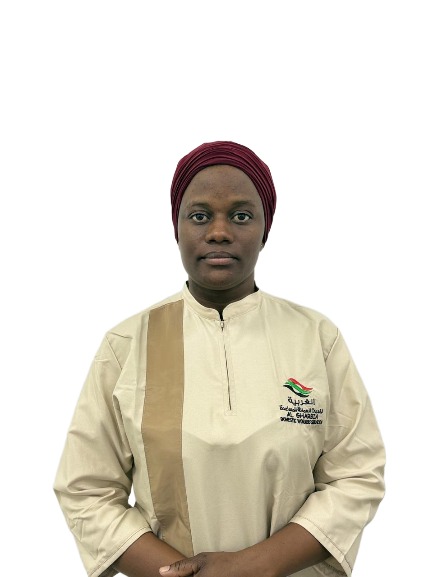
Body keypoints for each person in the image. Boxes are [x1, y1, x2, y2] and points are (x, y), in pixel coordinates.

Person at [54, 141, 385, 577]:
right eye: (199, 216)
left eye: (241, 216)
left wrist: (255, 566)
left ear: (265, 230)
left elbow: (357, 475)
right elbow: (86, 489)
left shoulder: (316, 339)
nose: (219, 232)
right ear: (176, 228)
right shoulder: (126, 345)